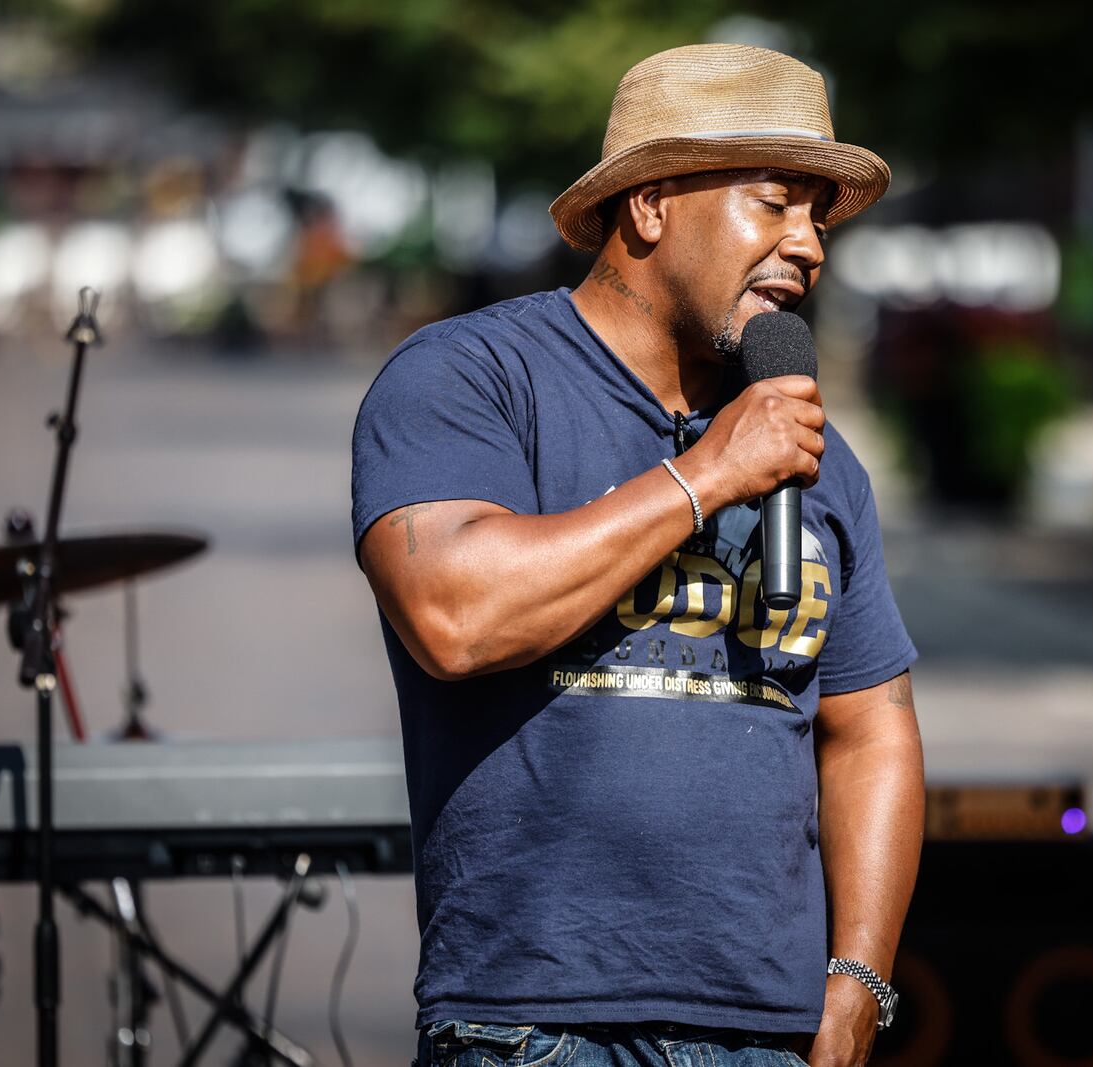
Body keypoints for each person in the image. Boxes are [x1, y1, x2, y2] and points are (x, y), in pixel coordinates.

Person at [351, 43, 924, 1067]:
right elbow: (454, 615)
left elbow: (871, 727)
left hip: (767, 1032)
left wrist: (859, 977)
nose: (810, 244)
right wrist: (704, 477)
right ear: (651, 205)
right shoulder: (470, 378)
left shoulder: (806, 449)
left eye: (819, 218)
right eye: (776, 203)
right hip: (531, 1024)